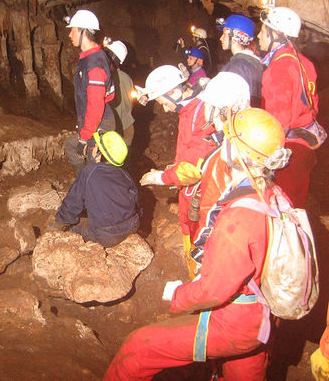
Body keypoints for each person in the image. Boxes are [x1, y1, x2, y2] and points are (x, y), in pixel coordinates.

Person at [105, 108, 291, 381]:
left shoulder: (238, 219)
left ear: (237, 150)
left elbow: (214, 290)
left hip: (235, 320)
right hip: (265, 317)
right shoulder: (273, 196)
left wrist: (179, 294)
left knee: (138, 348)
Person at [138, 65, 215, 268]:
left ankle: (198, 278)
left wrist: (162, 178)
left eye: (164, 102)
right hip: (194, 189)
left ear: (175, 92)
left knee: (199, 236)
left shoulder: (200, 114)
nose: (164, 109)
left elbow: (194, 168)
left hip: (204, 191)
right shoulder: (191, 109)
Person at [258, 4, 319, 208]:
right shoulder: (304, 63)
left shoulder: (279, 69)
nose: (259, 35)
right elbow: (313, 106)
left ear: (276, 34)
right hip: (305, 147)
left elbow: (276, 123)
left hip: (286, 153)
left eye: (263, 30)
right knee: (296, 208)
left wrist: (264, 159)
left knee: (281, 210)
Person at [48, 131, 140, 248]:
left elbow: (73, 202)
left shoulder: (90, 171)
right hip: (132, 226)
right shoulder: (125, 175)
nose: (94, 148)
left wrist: (60, 222)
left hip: (105, 235)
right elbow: (136, 202)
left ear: (99, 154)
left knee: (73, 230)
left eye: (96, 146)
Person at [63, 10, 116, 174]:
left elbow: (95, 107)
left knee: (95, 172)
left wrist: (84, 137)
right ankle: (83, 184)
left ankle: (89, 190)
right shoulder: (88, 58)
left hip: (99, 125)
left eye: (73, 30)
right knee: (72, 148)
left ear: (83, 31)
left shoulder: (94, 64)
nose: (70, 34)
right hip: (94, 123)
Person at [217, 14, 264, 107]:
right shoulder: (253, 62)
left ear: (234, 37)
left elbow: (226, 102)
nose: (221, 38)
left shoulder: (237, 66)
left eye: (224, 34)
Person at [103, 39, 135, 148]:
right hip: (127, 127)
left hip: (112, 129)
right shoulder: (127, 78)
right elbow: (130, 105)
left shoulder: (105, 78)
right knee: (124, 161)